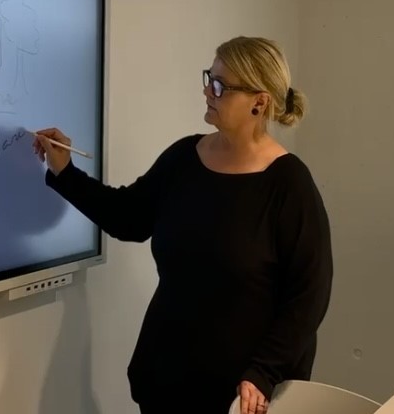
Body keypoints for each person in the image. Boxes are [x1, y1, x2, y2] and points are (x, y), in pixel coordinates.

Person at [33, 36, 333, 414]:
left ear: (259, 102)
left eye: (220, 86)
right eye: (209, 78)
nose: (207, 90)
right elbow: (128, 218)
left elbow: (309, 296)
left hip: (243, 394)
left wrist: (264, 372)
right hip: (167, 380)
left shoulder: (289, 184)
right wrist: (65, 172)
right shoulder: (184, 158)